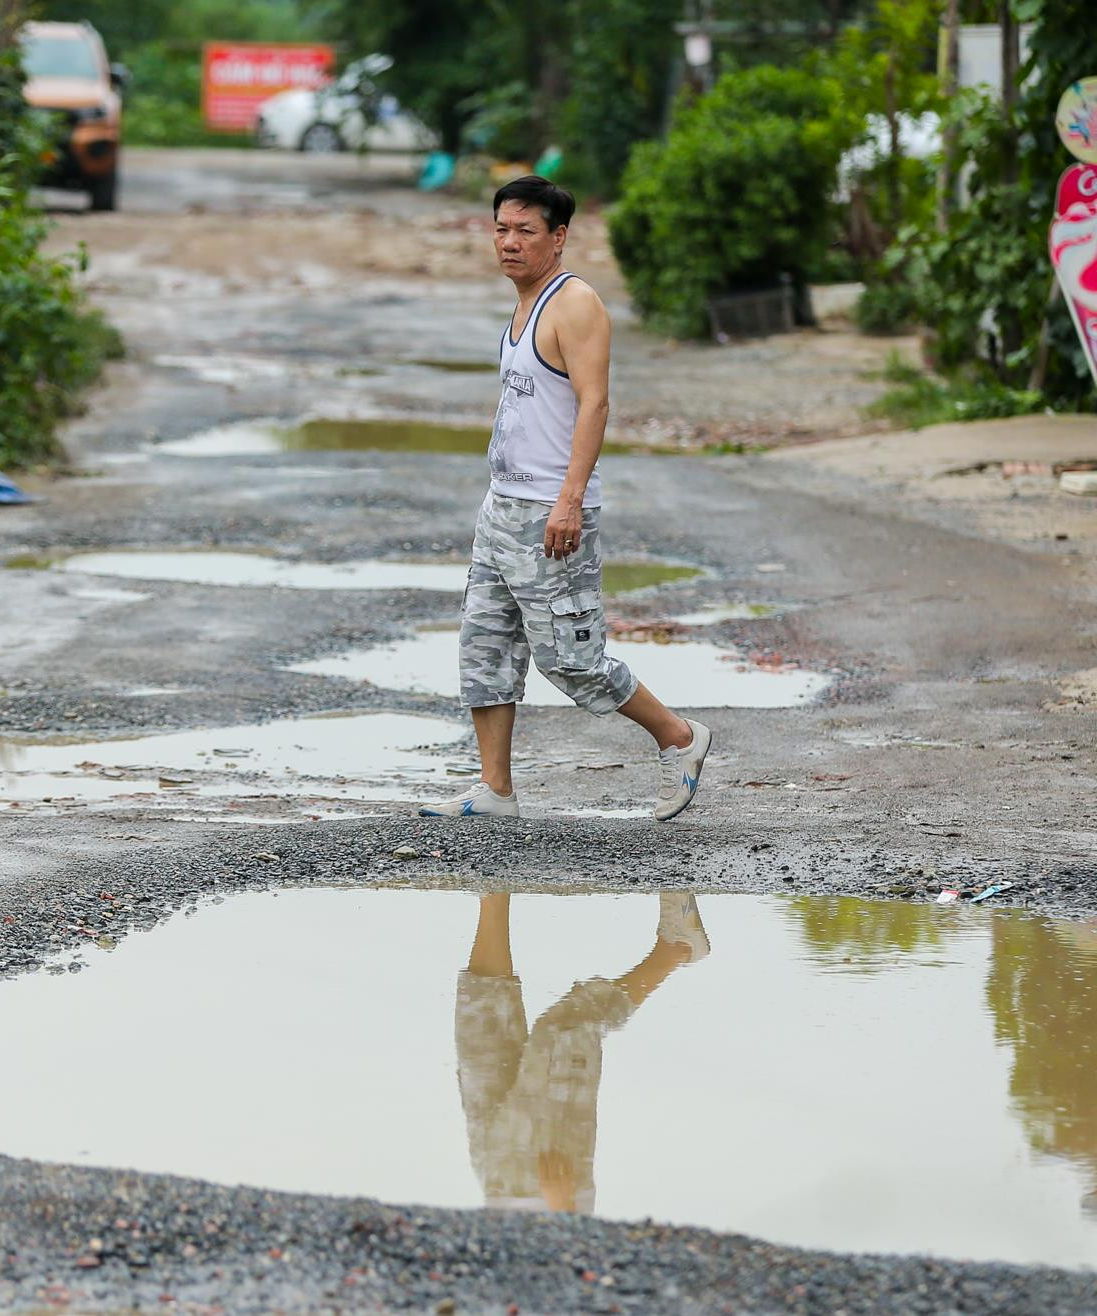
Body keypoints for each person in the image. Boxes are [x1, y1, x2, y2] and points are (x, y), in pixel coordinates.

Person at [421, 176, 711, 823]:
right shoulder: (523, 305)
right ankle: (495, 790)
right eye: (501, 228)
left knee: (571, 659)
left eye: (526, 231)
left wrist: (568, 501)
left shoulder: (574, 304)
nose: (509, 242)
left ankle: (679, 739)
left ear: (558, 237)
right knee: (486, 647)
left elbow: (594, 402)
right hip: (504, 507)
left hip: (551, 510)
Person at [455, 892, 710, 1213]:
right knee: (565, 1034)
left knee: (482, 1023)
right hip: (546, 1200)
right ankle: (676, 950)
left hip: (497, 1191)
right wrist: (567, 1214)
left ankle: (495, 890)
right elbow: (584, 1262)